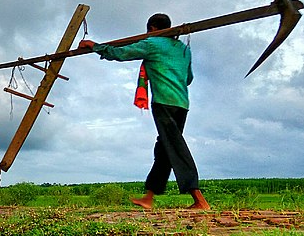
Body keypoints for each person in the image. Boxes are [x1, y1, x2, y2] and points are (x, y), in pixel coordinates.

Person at [78, 13, 210, 210]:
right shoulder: (184, 50)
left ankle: (199, 199)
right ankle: (149, 197)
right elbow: (188, 78)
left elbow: (120, 53)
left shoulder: (152, 43)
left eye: (149, 30)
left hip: (164, 102)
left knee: (174, 146)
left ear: (153, 28)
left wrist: (94, 46)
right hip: (182, 104)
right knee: (165, 148)